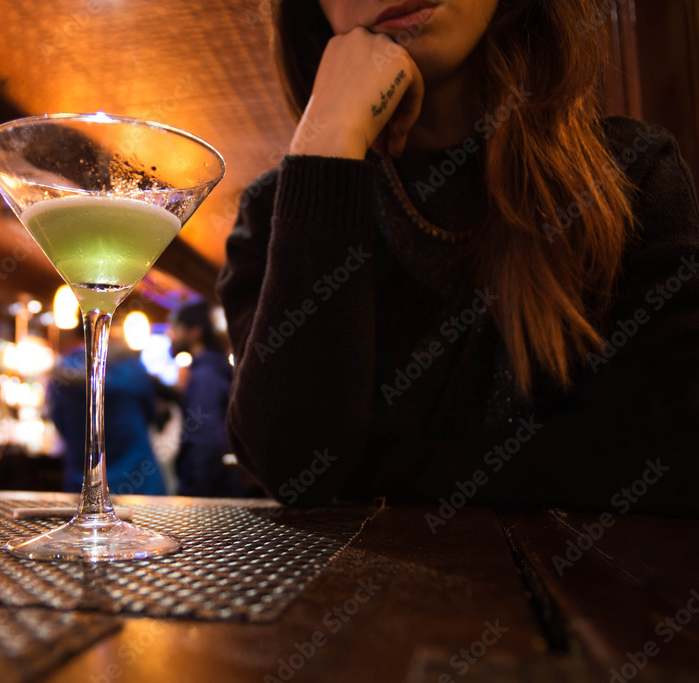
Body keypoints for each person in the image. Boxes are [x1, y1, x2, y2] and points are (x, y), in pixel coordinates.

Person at [216, 0, 699, 517]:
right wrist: (328, 137)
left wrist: (371, 475)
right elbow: (292, 467)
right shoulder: (275, 213)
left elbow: (669, 456)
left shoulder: (632, 176)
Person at [49, 331, 167, 495]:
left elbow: (58, 421)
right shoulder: (130, 366)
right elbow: (150, 412)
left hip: (82, 482)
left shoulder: (63, 369)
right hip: (139, 480)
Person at [168, 301, 247, 496]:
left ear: (195, 331)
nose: (171, 335)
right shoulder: (214, 369)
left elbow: (204, 439)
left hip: (210, 492)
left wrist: (191, 492)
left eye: (176, 328)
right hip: (226, 485)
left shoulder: (205, 376)